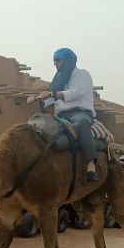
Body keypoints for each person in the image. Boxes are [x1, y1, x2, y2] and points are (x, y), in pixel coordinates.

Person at [31, 48, 99, 182]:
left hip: (79, 113)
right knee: (35, 124)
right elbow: (49, 97)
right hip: (60, 115)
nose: (55, 64)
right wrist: (38, 98)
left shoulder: (82, 75)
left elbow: (76, 93)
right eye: (54, 61)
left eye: (58, 60)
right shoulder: (60, 79)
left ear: (68, 60)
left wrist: (53, 94)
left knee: (82, 123)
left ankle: (91, 164)